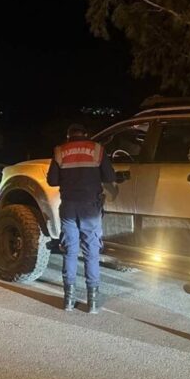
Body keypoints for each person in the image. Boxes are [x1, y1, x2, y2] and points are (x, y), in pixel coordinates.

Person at [47, 123, 116, 313]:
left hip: (69, 206)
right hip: (90, 208)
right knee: (91, 252)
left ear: (68, 136)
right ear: (87, 135)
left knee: (70, 251)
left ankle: (68, 301)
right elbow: (109, 176)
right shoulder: (97, 149)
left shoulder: (60, 151)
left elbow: (52, 180)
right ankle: (92, 303)